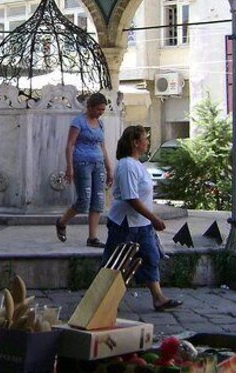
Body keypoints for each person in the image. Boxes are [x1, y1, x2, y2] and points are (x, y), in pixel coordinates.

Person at [102, 125, 181, 311]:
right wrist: (154, 218)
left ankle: (158, 297)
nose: (147, 141)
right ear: (135, 143)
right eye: (145, 138)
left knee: (150, 257)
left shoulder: (137, 164)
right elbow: (131, 198)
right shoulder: (127, 165)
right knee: (114, 263)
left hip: (141, 224)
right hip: (126, 224)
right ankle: (103, 300)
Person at [56, 93, 114, 248]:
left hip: (98, 164)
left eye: (103, 110)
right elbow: (70, 145)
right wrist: (70, 167)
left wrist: (109, 168)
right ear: (90, 107)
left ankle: (92, 237)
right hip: (82, 163)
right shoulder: (78, 122)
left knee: (98, 200)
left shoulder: (100, 124)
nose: (101, 112)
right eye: (98, 109)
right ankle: (62, 222)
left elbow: (103, 147)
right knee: (84, 200)